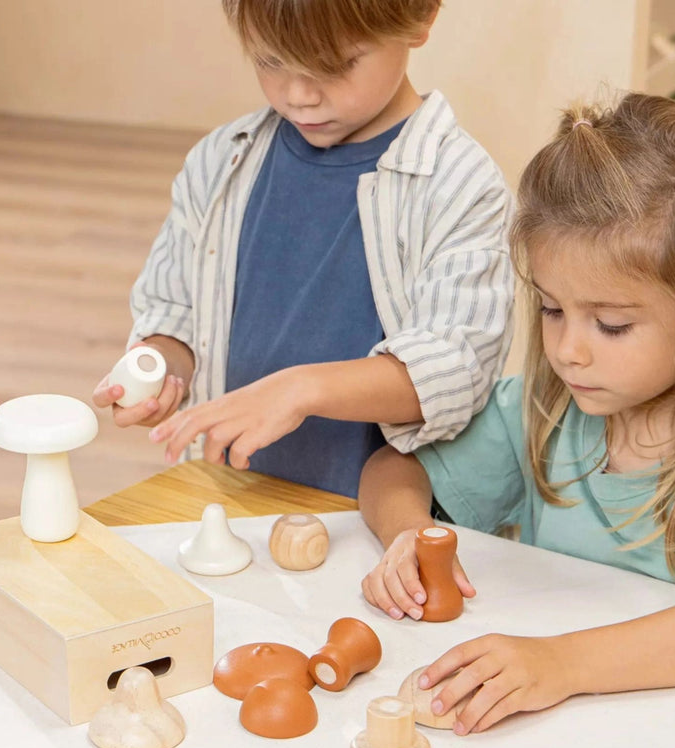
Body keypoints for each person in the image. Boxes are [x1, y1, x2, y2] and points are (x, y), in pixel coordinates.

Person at [358, 92, 675, 734]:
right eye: (552, 309)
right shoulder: (545, 410)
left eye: (612, 325)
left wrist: (560, 664)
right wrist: (407, 534)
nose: (567, 351)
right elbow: (393, 470)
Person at [91, 0, 514, 499]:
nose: (298, 96)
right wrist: (163, 368)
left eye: (333, 65)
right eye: (270, 61)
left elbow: (454, 369)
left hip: (376, 521)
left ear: (421, 18)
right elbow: (175, 311)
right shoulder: (220, 161)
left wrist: (302, 390)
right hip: (231, 495)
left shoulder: (461, 186)